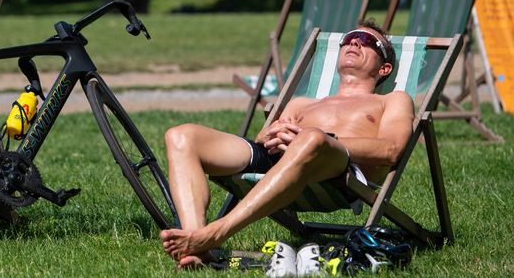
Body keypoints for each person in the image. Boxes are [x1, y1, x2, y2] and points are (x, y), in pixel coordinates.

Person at [160, 20, 415, 269]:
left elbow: (391, 149)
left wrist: (317, 139)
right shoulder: (301, 104)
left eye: (368, 41)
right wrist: (269, 136)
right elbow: (263, 139)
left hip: (339, 169)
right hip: (283, 159)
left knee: (312, 138)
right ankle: (196, 246)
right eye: (348, 39)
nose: (355, 42)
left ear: (385, 69)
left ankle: (216, 233)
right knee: (182, 135)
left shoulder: (392, 100)